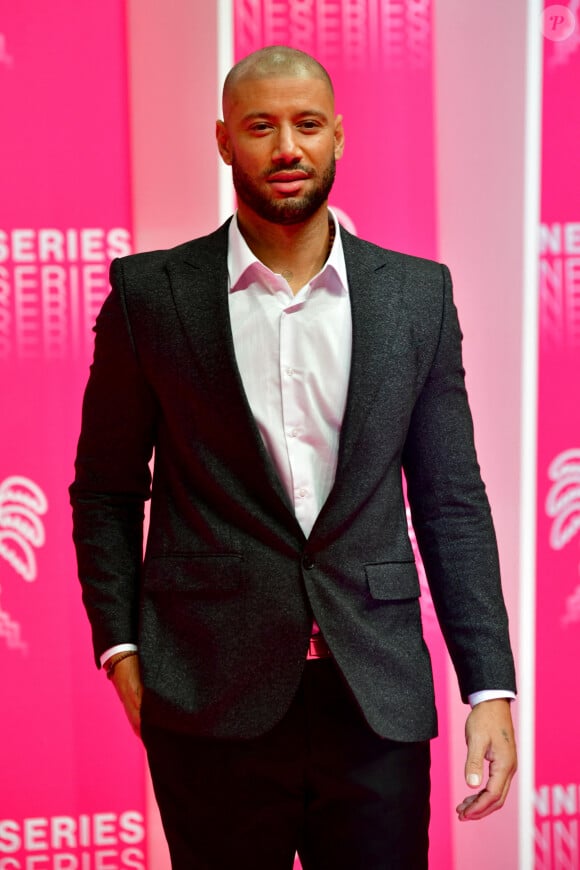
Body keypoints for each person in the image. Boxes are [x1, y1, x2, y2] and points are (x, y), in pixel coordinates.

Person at [70, 45, 517, 870]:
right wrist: (123, 651)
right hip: (207, 692)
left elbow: (452, 499)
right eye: (261, 126)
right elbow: (104, 490)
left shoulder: (418, 296)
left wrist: (488, 687)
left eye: (307, 125)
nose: (286, 148)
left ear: (338, 137)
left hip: (374, 693)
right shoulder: (149, 296)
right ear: (223, 140)